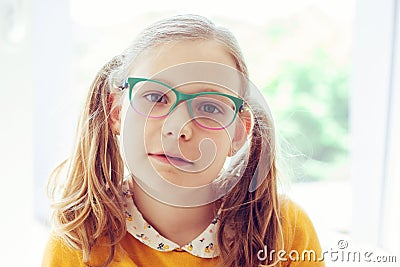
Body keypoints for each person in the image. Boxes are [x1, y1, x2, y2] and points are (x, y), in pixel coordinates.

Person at [42, 14, 325, 267]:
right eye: (154, 98)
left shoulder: (282, 230)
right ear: (116, 112)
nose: (178, 130)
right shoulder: (79, 241)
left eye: (210, 108)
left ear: (238, 133)